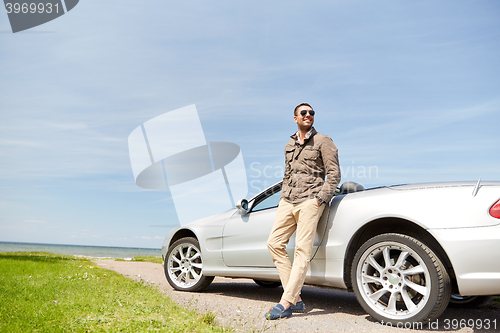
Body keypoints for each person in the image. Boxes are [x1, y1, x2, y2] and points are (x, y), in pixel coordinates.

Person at [265, 103, 341, 320]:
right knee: (274, 243)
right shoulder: (289, 144)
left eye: (312, 113)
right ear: (295, 118)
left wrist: (320, 200)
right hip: (288, 200)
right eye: (304, 113)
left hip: (310, 199)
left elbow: (334, 174)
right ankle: (297, 299)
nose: (309, 115)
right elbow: (287, 174)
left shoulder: (323, 141)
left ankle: (286, 301)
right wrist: (282, 198)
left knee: (302, 250)